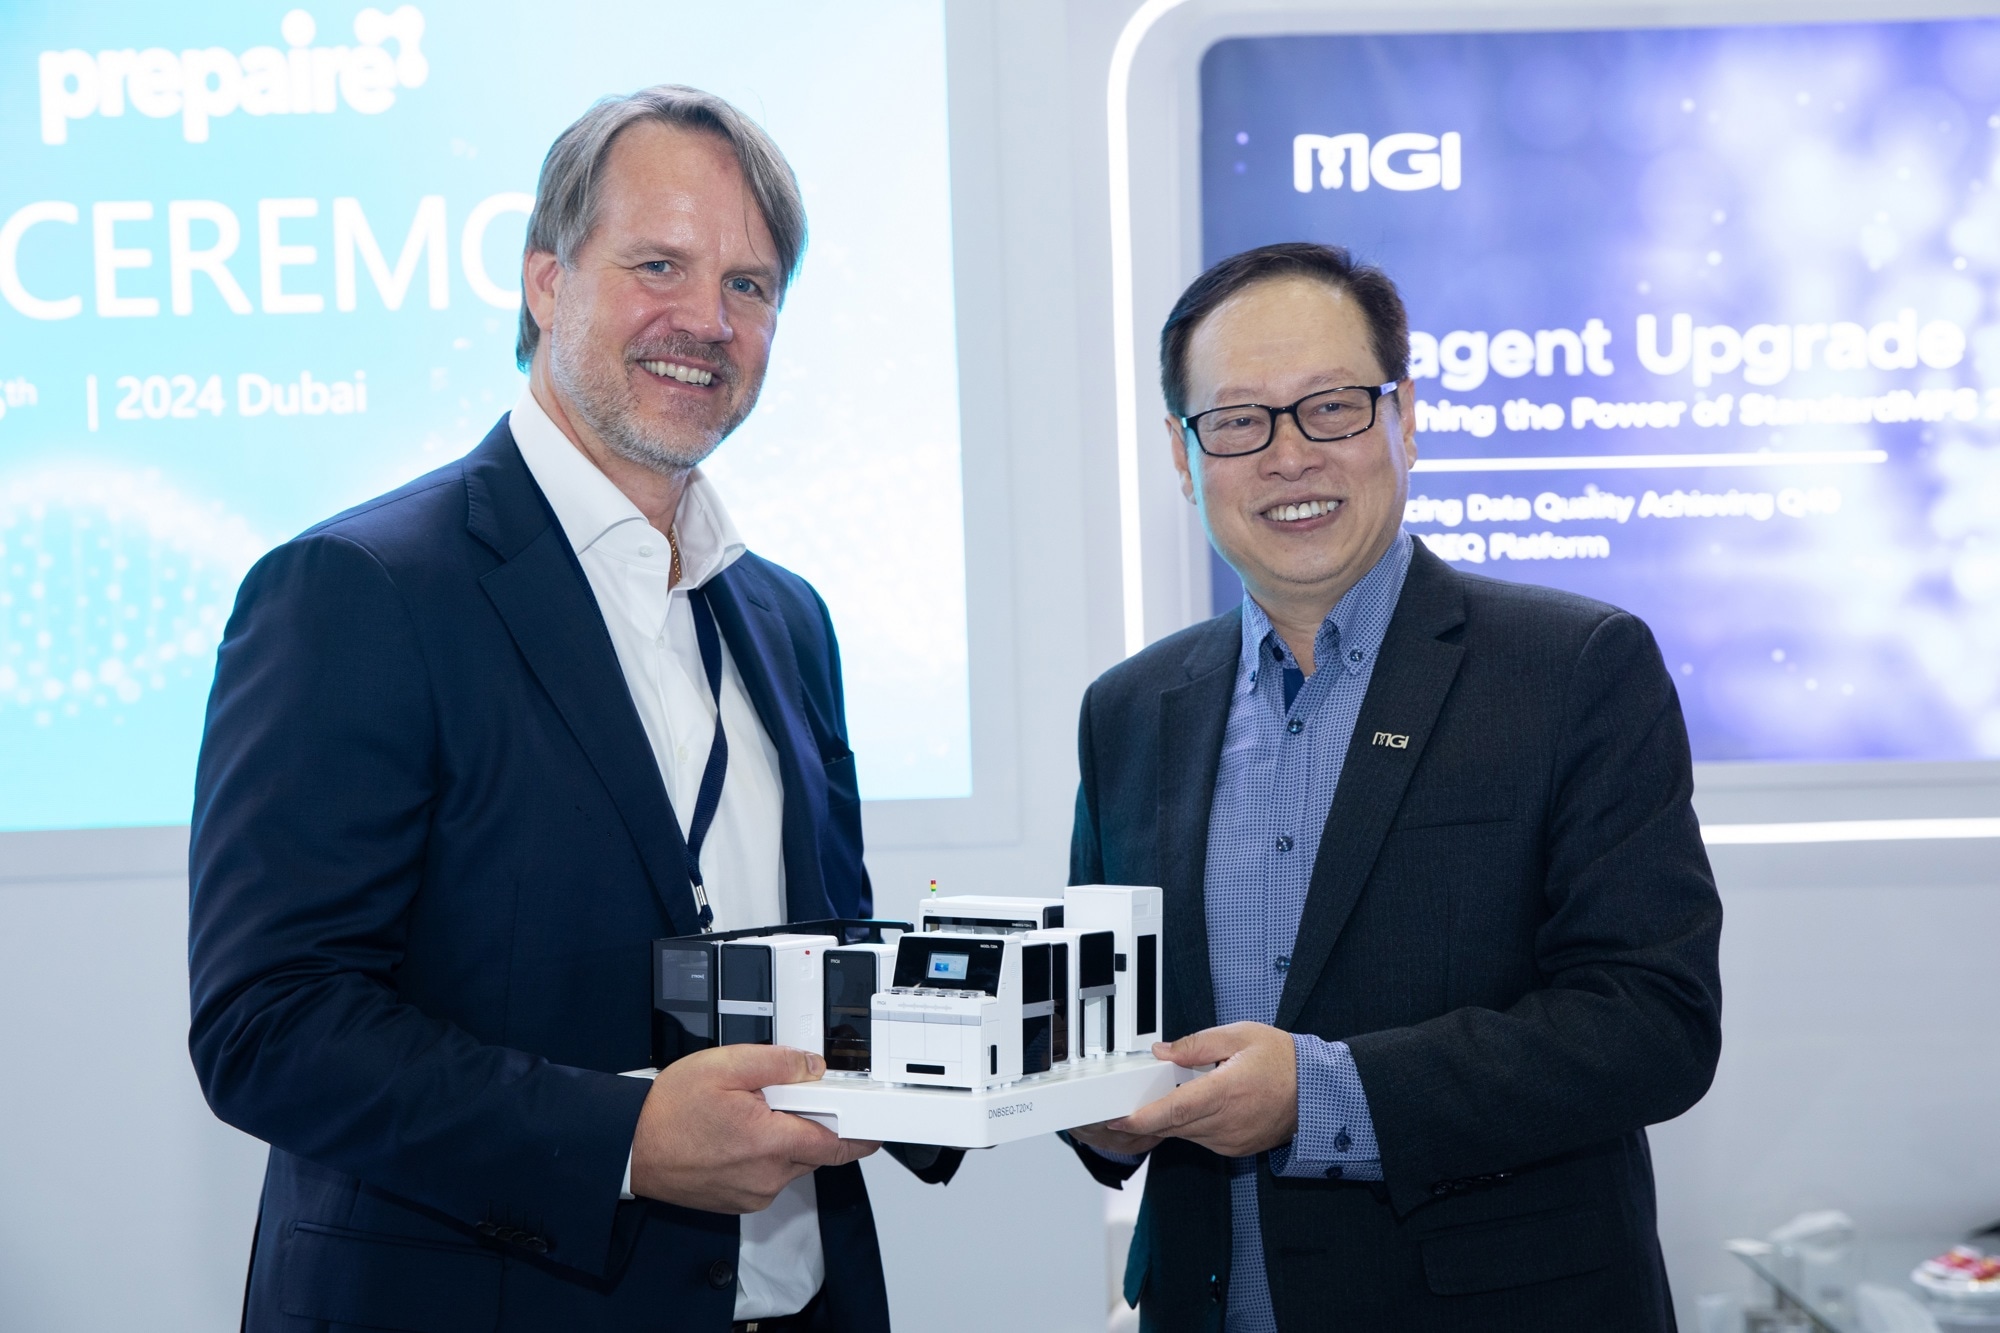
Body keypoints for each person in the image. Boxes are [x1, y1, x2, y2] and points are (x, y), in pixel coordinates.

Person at [188, 86, 933, 1332]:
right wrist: (625, 1137)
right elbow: (271, 1024)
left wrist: (1014, 1064)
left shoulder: (786, 616)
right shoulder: (358, 589)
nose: (707, 320)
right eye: (659, 265)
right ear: (546, 281)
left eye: (749, 285)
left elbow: (826, 957)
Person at [1064, 243, 1723, 1331]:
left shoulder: (1574, 669)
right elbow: (1100, 1013)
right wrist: (1089, 1106)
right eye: (1237, 420)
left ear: (1403, 418)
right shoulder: (1128, 711)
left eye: (1329, 407)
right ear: (1183, 456)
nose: (1287, 456)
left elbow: (1654, 1023)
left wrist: (1320, 1094)